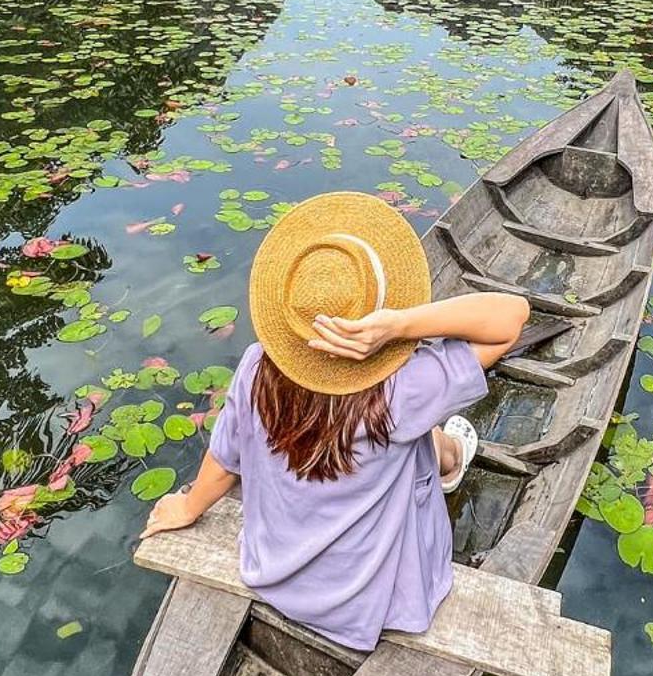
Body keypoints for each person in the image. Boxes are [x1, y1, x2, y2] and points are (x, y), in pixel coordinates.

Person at [142, 189, 530, 651]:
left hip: (273, 578)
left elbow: (225, 462)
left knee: (414, 432)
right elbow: (512, 317)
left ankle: (446, 453)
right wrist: (402, 325)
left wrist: (187, 508)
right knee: (418, 433)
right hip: (372, 607)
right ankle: (451, 457)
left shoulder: (255, 367)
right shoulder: (403, 386)